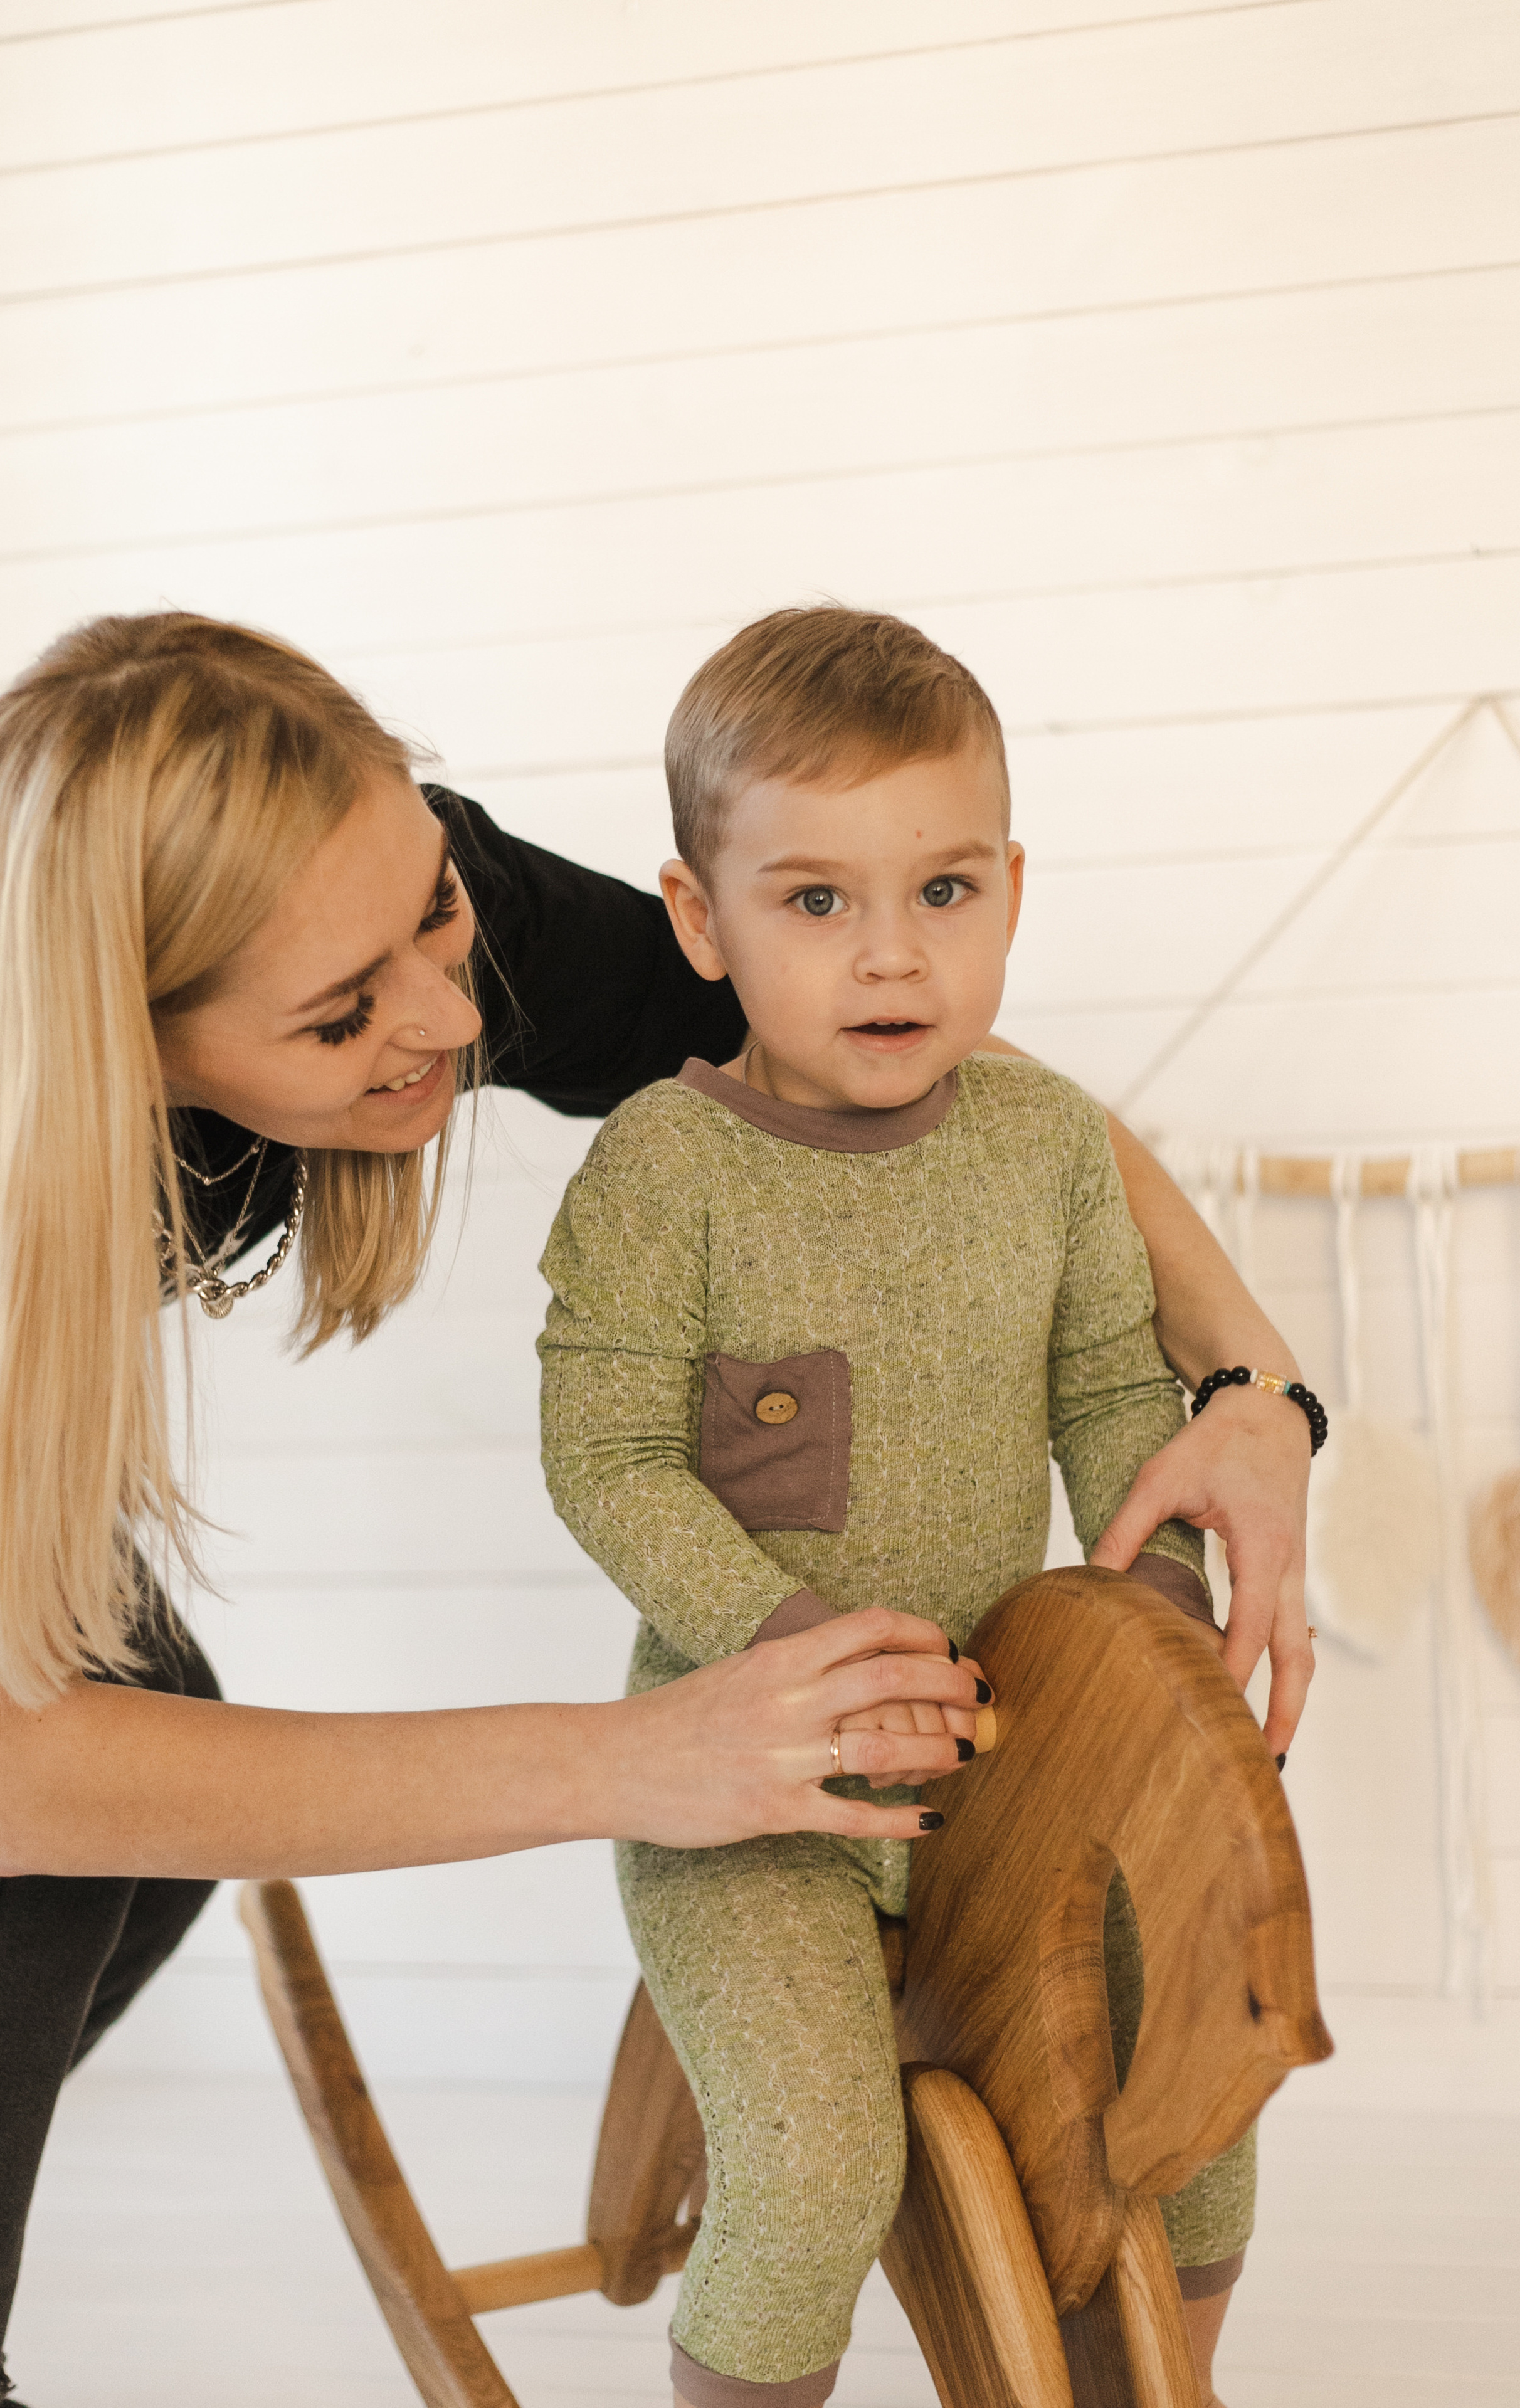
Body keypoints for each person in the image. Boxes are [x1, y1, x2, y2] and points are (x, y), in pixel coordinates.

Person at [0, 610, 1307, 2408]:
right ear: (119, 1040)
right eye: (344, 1016)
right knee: (52, 1855)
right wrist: (640, 1755)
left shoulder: (392, 887)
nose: (447, 1013)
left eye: (434, 922)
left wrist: (1255, 1392)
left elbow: (982, 1110)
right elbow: (25, 1780)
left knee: (152, 1765)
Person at [539, 608, 1311, 2408]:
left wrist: (1164, 1639)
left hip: (1007, 1757)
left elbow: (1124, 1406)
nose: (891, 957)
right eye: (815, 902)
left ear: (1014, 890)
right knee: (816, 2169)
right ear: (697, 920)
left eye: (944, 892)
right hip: (749, 1783)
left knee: (1198, 2108)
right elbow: (611, 1461)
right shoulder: (663, 1170)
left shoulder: (1044, 1147)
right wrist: (792, 1648)